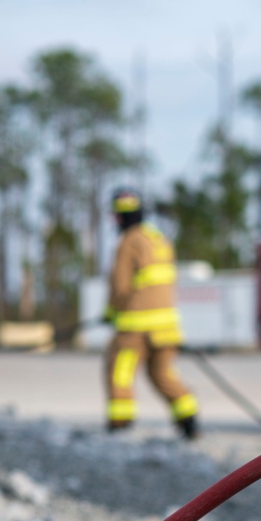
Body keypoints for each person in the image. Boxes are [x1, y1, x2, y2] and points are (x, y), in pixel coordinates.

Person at [103, 187, 199, 439]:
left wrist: (110, 311)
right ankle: (188, 418)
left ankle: (120, 424)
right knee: (162, 373)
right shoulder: (158, 239)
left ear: (120, 216)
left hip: (135, 327)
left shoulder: (127, 243)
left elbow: (120, 286)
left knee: (120, 371)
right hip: (167, 327)